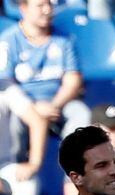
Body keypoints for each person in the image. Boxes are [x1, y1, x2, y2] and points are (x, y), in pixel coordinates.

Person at [0, 0, 91, 155]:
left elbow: (73, 80)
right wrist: (32, 107)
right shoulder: (9, 40)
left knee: (81, 114)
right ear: (24, 9)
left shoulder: (65, 39)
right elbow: (6, 82)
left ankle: (74, 173)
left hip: (59, 104)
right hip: (24, 106)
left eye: (49, 5)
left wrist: (54, 105)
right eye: (40, 6)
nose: (47, 10)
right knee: (11, 119)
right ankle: (14, 169)